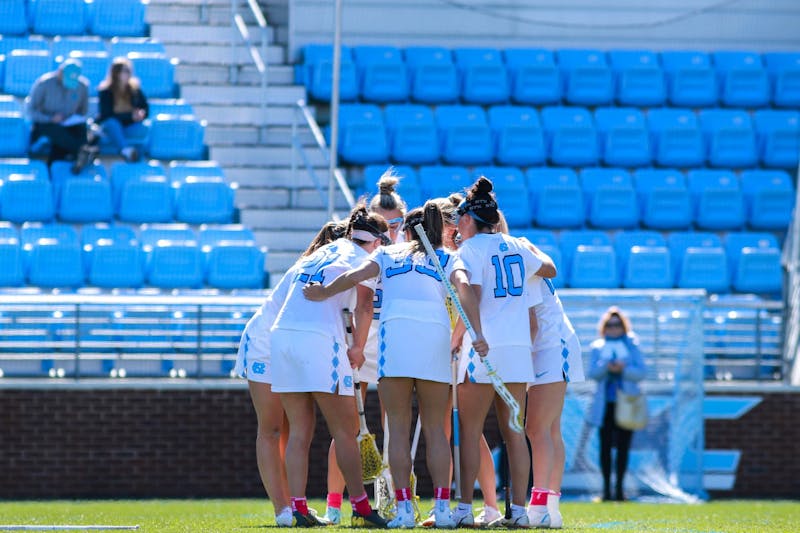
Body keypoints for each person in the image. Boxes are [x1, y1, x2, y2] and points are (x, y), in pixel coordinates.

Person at [305, 200, 489, 528]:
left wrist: (324, 292)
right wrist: (477, 333)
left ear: (407, 230)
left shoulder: (387, 254)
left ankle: (404, 510)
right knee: (435, 430)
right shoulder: (448, 257)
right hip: (433, 340)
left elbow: (355, 275)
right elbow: (465, 290)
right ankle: (443, 510)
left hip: (397, 342)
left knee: (399, 430)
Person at [271, 205, 390, 528]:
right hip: (319, 341)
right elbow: (365, 305)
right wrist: (358, 348)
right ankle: (362, 507)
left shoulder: (318, 253)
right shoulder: (365, 259)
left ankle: (298, 506)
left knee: (299, 430)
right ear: (377, 240)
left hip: (282, 336)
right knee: (346, 430)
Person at [450, 177, 557, 528]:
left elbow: (468, 291)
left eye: (460, 217)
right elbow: (549, 271)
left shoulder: (470, 250)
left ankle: (464, 509)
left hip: (486, 348)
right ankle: (521, 512)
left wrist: (476, 333)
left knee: (469, 430)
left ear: (469, 219)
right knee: (514, 431)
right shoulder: (518, 246)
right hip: (517, 349)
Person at [233, 220, 346, 527]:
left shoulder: (332, 272)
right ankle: (282, 509)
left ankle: (296, 506)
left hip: (290, 346)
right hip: (264, 345)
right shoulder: (309, 268)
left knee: (294, 429)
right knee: (271, 428)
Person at [322, 171, 406, 525]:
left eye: (396, 224)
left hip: (391, 343)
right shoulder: (361, 252)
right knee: (348, 426)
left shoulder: (406, 251)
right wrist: (355, 344)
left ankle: (391, 500)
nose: (389, 232)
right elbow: (358, 300)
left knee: (394, 426)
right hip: (359, 339)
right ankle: (334, 505)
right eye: (383, 226)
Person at [524, 271, 585, 528]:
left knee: (538, 429)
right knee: (548, 430)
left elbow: (532, 324)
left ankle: (539, 506)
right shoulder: (522, 254)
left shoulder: (519, 261)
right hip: (549, 344)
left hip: (549, 345)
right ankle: (550, 507)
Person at [587, 307, 647, 502]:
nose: (614, 329)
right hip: (605, 405)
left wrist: (624, 368)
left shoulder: (632, 344)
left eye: (618, 325)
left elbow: (641, 372)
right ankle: (606, 491)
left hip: (626, 403)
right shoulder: (597, 346)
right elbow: (592, 374)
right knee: (605, 448)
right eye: (610, 325)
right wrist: (606, 366)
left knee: (623, 447)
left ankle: (620, 490)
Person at [27, 58, 97, 173]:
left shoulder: (82, 86)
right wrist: (50, 118)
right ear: (60, 72)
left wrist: (72, 117)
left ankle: (77, 158)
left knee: (81, 127)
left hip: (69, 123)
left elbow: (83, 111)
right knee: (56, 131)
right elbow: (31, 110)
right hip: (46, 124)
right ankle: (81, 153)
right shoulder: (44, 83)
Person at [97, 57, 149, 162]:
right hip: (113, 126)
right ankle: (125, 150)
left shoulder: (135, 90)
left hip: (130, 126)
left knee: (145, 128)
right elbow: (106, 115)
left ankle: (140, 156)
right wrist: (130, 116)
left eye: (129, 71)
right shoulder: (106, 91)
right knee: (112, 124)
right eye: (124, 71)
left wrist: (141, 114)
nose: (128, 74)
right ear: (116, 73)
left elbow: (145, 107)